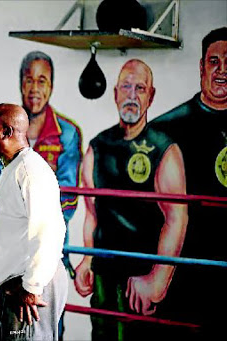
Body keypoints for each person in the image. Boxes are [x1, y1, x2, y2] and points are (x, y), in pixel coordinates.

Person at [73, 59, 188, 340]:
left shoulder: (165, 150)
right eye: (126, 87)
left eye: (140, 88)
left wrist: (157, 279)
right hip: (103, 276)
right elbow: (92, 213)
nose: (132, 95)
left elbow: (177, 218)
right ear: (115, 94)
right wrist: (87, 260)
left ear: (151, 95)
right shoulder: (98, 147)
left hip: (139, 280)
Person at [149, 27, 227, 339]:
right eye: (214, 61)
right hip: (184, 279)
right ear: (201, 67)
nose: (223, 71)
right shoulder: (165, 130)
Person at [0, 103, 68, 340]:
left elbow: (49, 230)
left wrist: (32, 287)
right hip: (17, 285)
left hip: (28, 289)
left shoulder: (30, 170)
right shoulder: (14, 168)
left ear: (6, 132)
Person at [19, 50, 83, 339]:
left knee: (49, 329)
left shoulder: (67, 133)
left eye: (42, 81)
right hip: (11, 256)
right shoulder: (2, 131)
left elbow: (68, 199)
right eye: (29, 80)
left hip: (50, 255)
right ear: (21, 84)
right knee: (12, 328)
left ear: (51, 86)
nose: (35, 88)